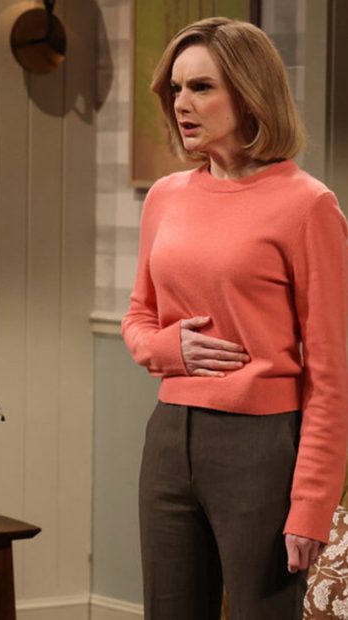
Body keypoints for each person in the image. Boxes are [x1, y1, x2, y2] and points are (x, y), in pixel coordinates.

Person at [122, 17, 348, 619]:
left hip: (262, 448)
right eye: (176, 88)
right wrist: (169, 351)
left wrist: (312, 504)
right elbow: (138, 317)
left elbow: (331, 373)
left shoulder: (308, 206)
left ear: (249, 94)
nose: (181, 104)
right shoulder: (166, 196)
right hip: (168, 440)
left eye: (202, 87)